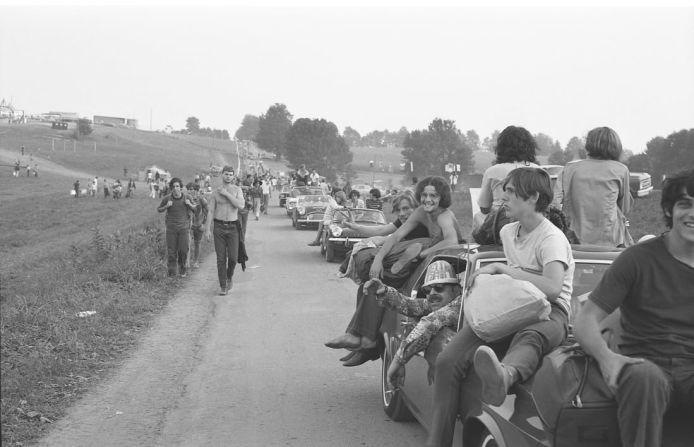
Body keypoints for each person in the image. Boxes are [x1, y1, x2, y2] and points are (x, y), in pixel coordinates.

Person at [425, 167, 574, 447]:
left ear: (532, 198)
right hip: (514, 307)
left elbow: (553, 288)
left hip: (552, 312)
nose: (502, 198)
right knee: (447, 361)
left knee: (530, 337)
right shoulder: (507, 232)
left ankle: (505, 375)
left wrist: (501, 268)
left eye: (510, 193)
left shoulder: (551, 239)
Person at [574, 169, 694, 447]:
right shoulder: (637, 259)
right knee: (644, 378)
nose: (692, 214)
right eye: (685, 204)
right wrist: (607, 358)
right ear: (669, 209)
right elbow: (586, 320)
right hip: (646, 364)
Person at [370, 176, 464, 279]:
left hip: (455, 257)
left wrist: (421, 254)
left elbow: (452, 241)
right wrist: (378, 258)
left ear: (442, 197)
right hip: (432, 254)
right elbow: (396, 236)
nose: (428, 199)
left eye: (433, 195)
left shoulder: (444, 216)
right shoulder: (420, 212)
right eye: (424, 195)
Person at [558, 126, 633, 247]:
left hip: (576, 237)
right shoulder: (620, 170)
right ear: (616, 147)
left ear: (588, 145)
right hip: (611, 239)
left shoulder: (570, 169)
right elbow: (625, 208)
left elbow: (557, 204)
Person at [474, 125, 538, 231]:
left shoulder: (492, 171)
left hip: (499, 224)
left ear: (501, 148)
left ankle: (477, 247)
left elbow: (484, 208)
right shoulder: (539, 171)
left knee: (477, 217)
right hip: (532, 223)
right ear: (529, 147)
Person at [205, 166, 245, 295]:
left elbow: (240, 205)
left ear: (233, 177)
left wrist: (226, 194)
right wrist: (207, 229)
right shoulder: (215, 192)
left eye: (230, 174)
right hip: (219, 227)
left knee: (233, 258)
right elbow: (210, 211)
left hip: (233, 227)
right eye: (226, 174)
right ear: (222, 175)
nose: (228, 176)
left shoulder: (237, 190)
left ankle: (229, 277)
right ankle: (223, 286)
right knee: (221, 258)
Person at [157, 177, 195, 277]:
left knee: (183, 250)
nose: (175, 188)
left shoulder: (187, 197)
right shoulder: (167, 198)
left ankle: (182, 269)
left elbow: (195, 208)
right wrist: (166, 206)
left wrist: (190, 204)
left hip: (183, 228)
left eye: (177, 186)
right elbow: (159, 209)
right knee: (171, 251)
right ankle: (172, 272)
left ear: (181, 188)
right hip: (171, 229)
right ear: (171, 188)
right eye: (173, 186)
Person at [187, 182, 208, 269]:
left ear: (196, 190)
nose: (189, 191)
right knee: (187, 244)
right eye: (188, 189)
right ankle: (187, 262)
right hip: (188, 225)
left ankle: (195, 262)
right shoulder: (186, 198)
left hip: (199, 225)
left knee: (197, 244)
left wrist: (204, 224)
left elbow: (207, 211)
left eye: (191, 189)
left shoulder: (201, 199)